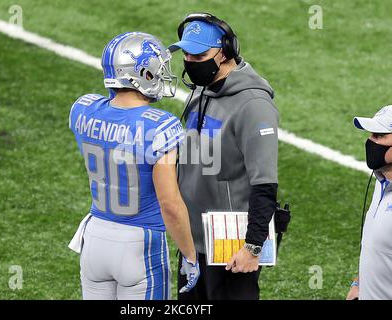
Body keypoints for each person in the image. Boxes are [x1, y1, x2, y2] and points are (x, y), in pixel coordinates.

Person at [67, 32, 199, 300]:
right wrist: (190, 255)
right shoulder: (160, 125)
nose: (162, 76)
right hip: (140, 243)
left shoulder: (83, 109)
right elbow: (170, 204)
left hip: (94, 238)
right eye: (158, 70)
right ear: (143, 74)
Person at [169, 13, 279, 300]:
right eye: (187, 55)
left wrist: (252, 247)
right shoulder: (201, 90)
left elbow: (264, 182)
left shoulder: (254, 105)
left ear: (226, 51)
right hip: (192, 242)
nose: (191, 62)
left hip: (229, 245)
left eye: (199, 55)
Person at [347, 105, 392, 300]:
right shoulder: (381, 182)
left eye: (380, 136)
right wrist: (359, 283)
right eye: (371, 135)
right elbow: (375, 247)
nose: (370, 142)